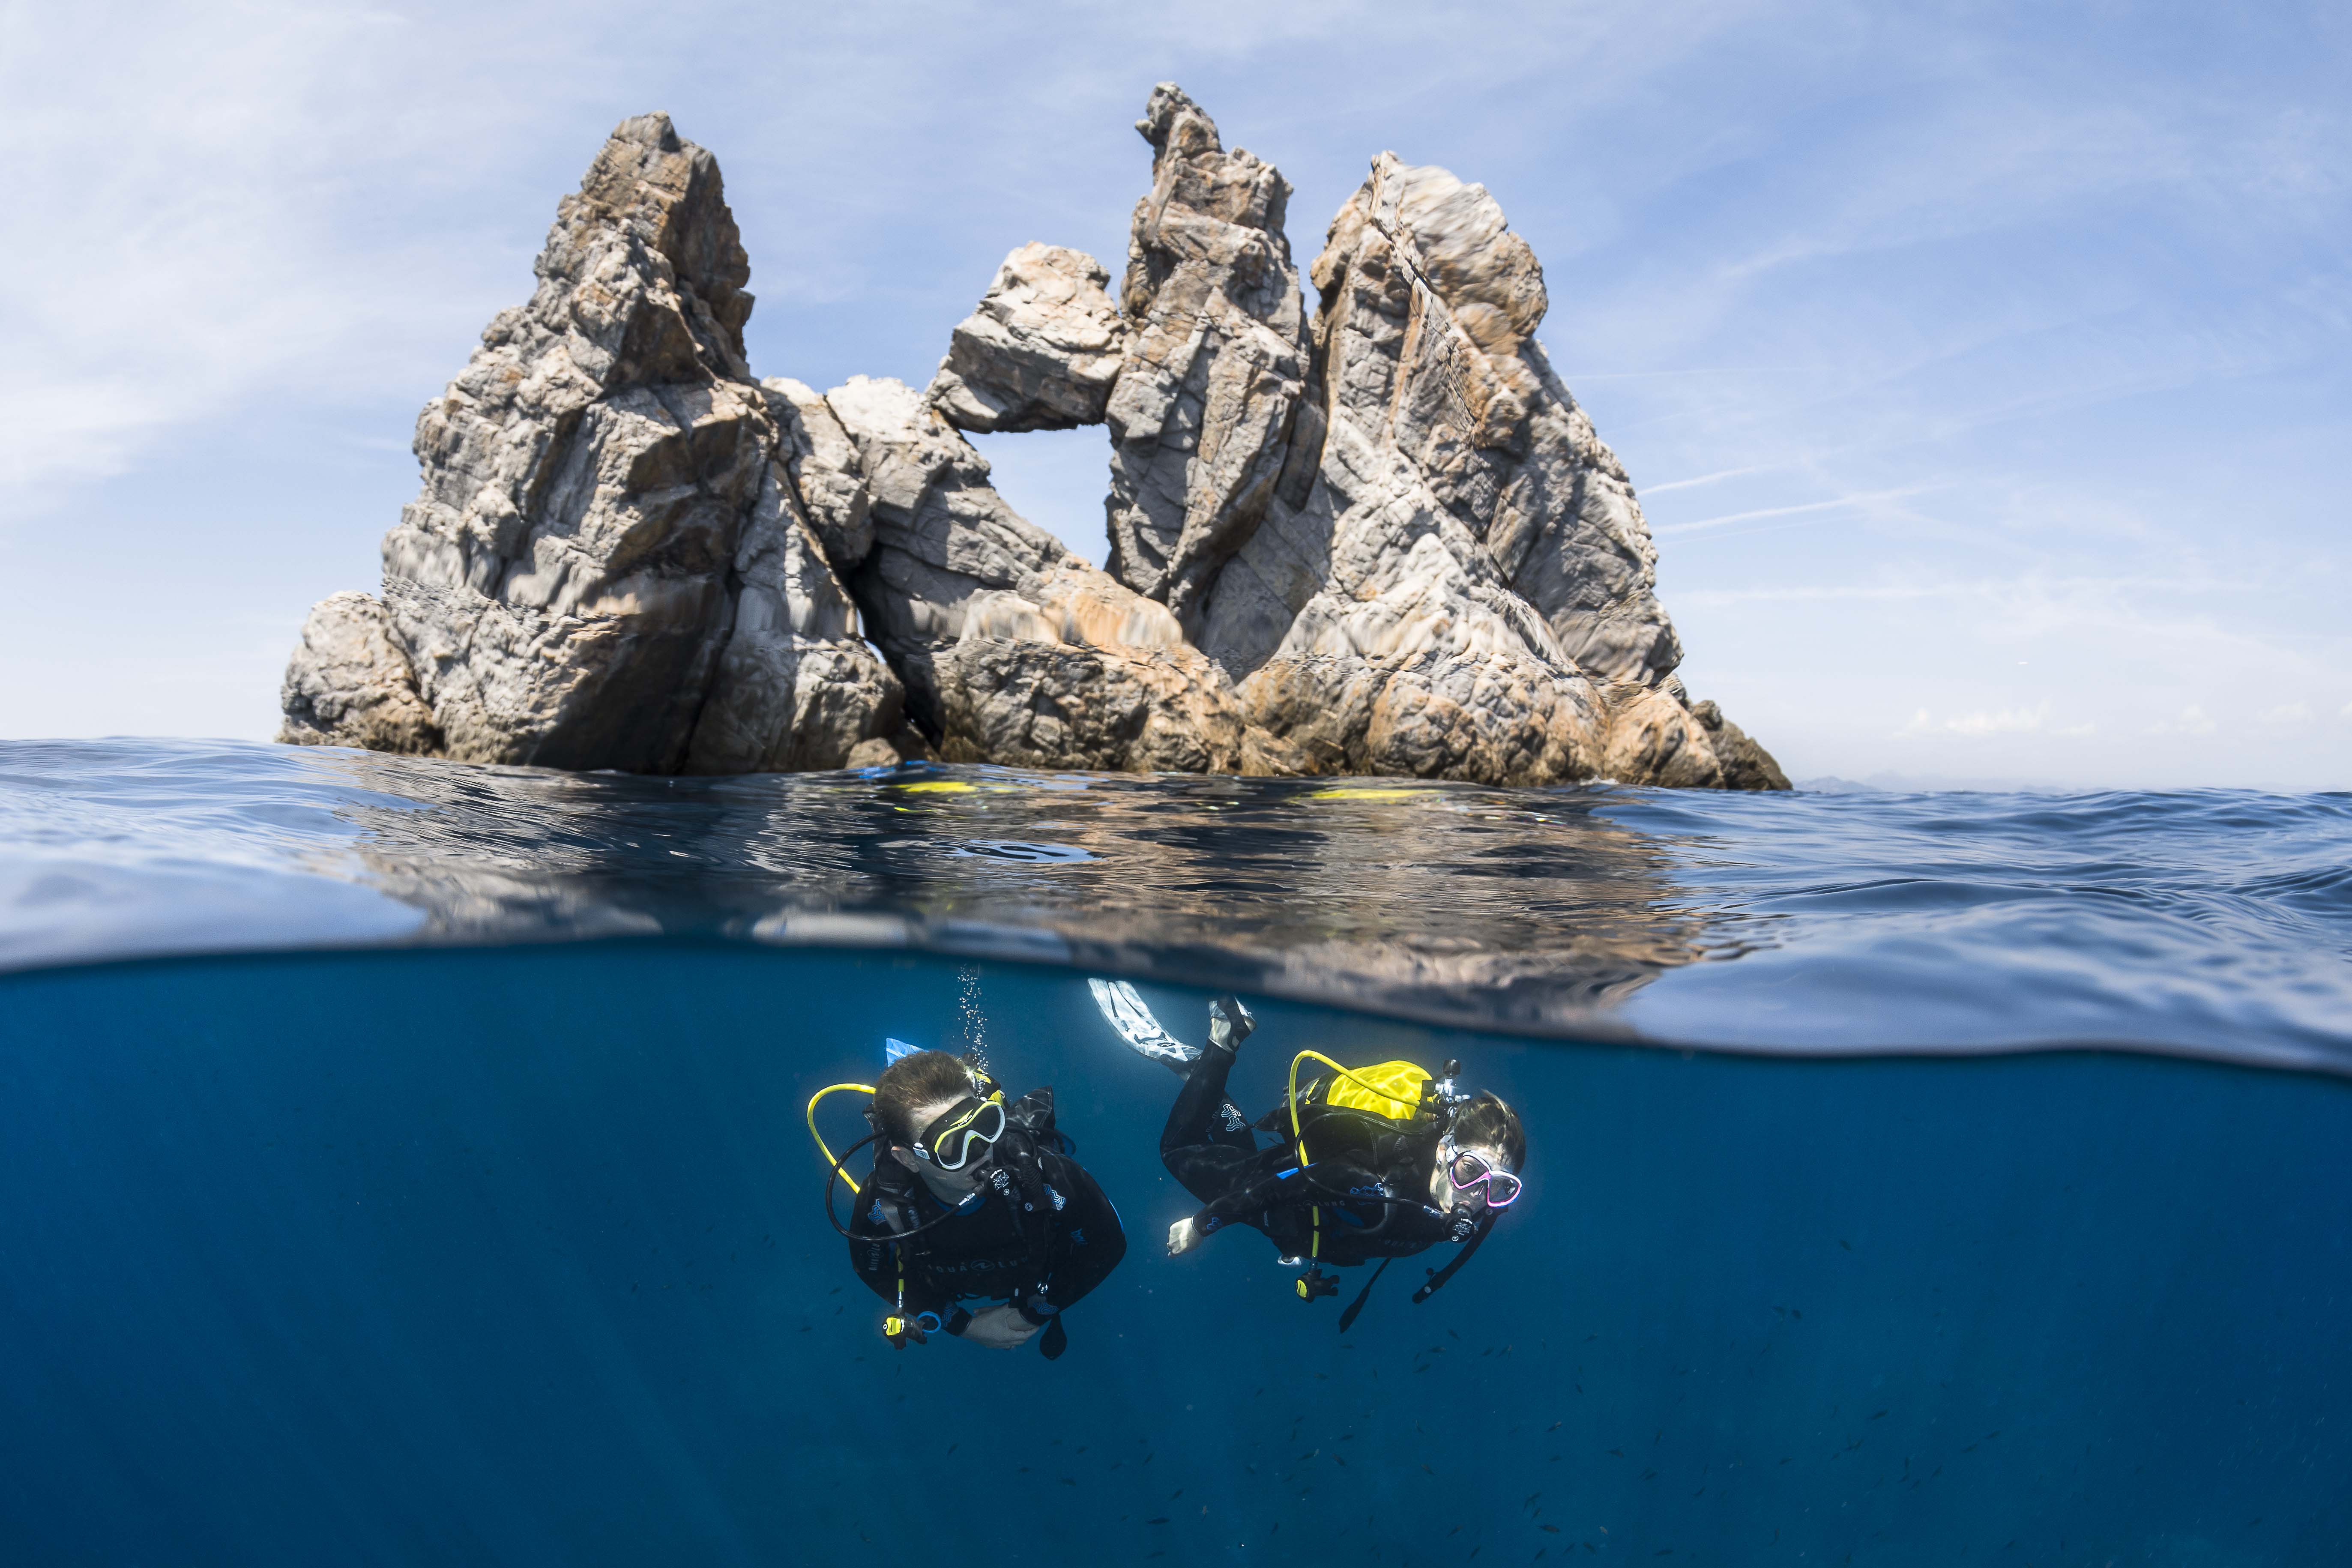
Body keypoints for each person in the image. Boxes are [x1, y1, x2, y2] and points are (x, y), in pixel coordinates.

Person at [1148, 991, 1524, 1325]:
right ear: (1445, 1151)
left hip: (1297, 1222)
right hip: (1282, 1194)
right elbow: (1285, 1186)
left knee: (1241, 1160)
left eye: (1500, 1187)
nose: (1477, 1196)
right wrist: (1199, 1226)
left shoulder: (1467, 1211)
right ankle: (1222, 1042)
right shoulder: (1376, 1185)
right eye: (1471, 1171)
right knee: (1177, 1150)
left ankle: (1210, 1091)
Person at [829, 1048, 1125, 1358]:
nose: (982, 1151)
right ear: (908, 1160)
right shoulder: (885, 1204)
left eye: (985, 1125)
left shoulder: (1041, 1174)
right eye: (952, 1145)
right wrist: (959, 1323)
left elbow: (1107, 1244)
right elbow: (873, 1269)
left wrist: (1035, 1312)